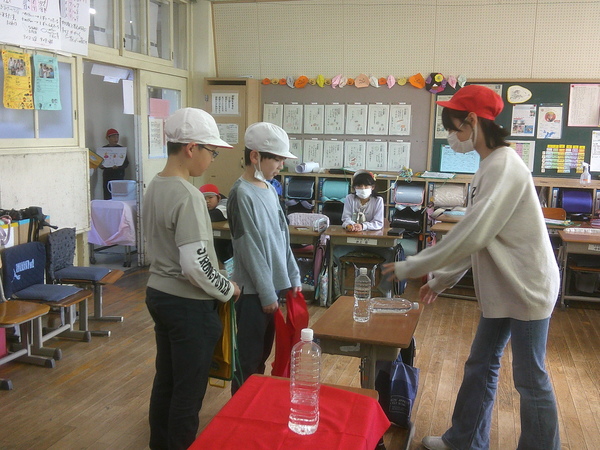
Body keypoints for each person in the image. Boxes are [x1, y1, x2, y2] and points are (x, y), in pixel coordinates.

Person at [382, 85, 560, 450]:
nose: (452, 136)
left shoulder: (504, 165)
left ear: (473, 122)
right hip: (505, 288)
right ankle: (464, 440)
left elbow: (474, 234)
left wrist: (414, 265)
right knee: (481, 363)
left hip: (527, 288)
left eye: (454, 127)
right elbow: (481, 239)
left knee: (530, 378)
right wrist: (441, 280)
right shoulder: (489, 166)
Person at [142, 107, 240, 450]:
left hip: (158, 295)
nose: (211, 159)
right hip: (187, 304)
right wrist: (228, 289)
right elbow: (195, 265)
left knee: (167, 381)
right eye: (211, 151)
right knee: (189, 389)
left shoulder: (155, 185)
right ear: (191, 148)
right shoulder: (188, 195)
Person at [227, 122, 301, 393]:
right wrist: (267, 293)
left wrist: (292, 276)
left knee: (261, 357)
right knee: (248, 360)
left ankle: (254, 407)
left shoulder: (269, 189)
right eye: (277, 159)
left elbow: (282, 238)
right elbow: (249, 249)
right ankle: (239, 410)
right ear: (255, 156)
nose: (281, 165)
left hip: (269, 291)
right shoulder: (241, 193)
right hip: (253, 294)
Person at [334, 170, 392, 296]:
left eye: (366, 186)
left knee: (391, 255)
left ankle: (385, 290)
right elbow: (345, 218)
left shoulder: (378, 200)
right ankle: (336, 288)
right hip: (352, 242)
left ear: (373, 187)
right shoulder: (350, 198)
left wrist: (362, 226)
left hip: (374, 243)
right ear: (354, 188)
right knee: (333, 253)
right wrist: (350, 225)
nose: (363, 188)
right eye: (359, 186)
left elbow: (378, 223)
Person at [200, 183, 233, 264]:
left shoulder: (225, 204)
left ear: (218, 198)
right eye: (204, 198)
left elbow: (216, 215)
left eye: (210, 197)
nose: (207, 201)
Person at [101, 128, 129, 200]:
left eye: (117, 137)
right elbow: (101, 164)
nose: (116, 139)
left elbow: (126, 163)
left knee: (119, 196)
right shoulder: (103, 149)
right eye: (113, 137)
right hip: (107, 176)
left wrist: (119, 167)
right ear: (108, 138)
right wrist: (101, 166)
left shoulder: (121, 149)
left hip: (119, 175)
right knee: (108, 196)